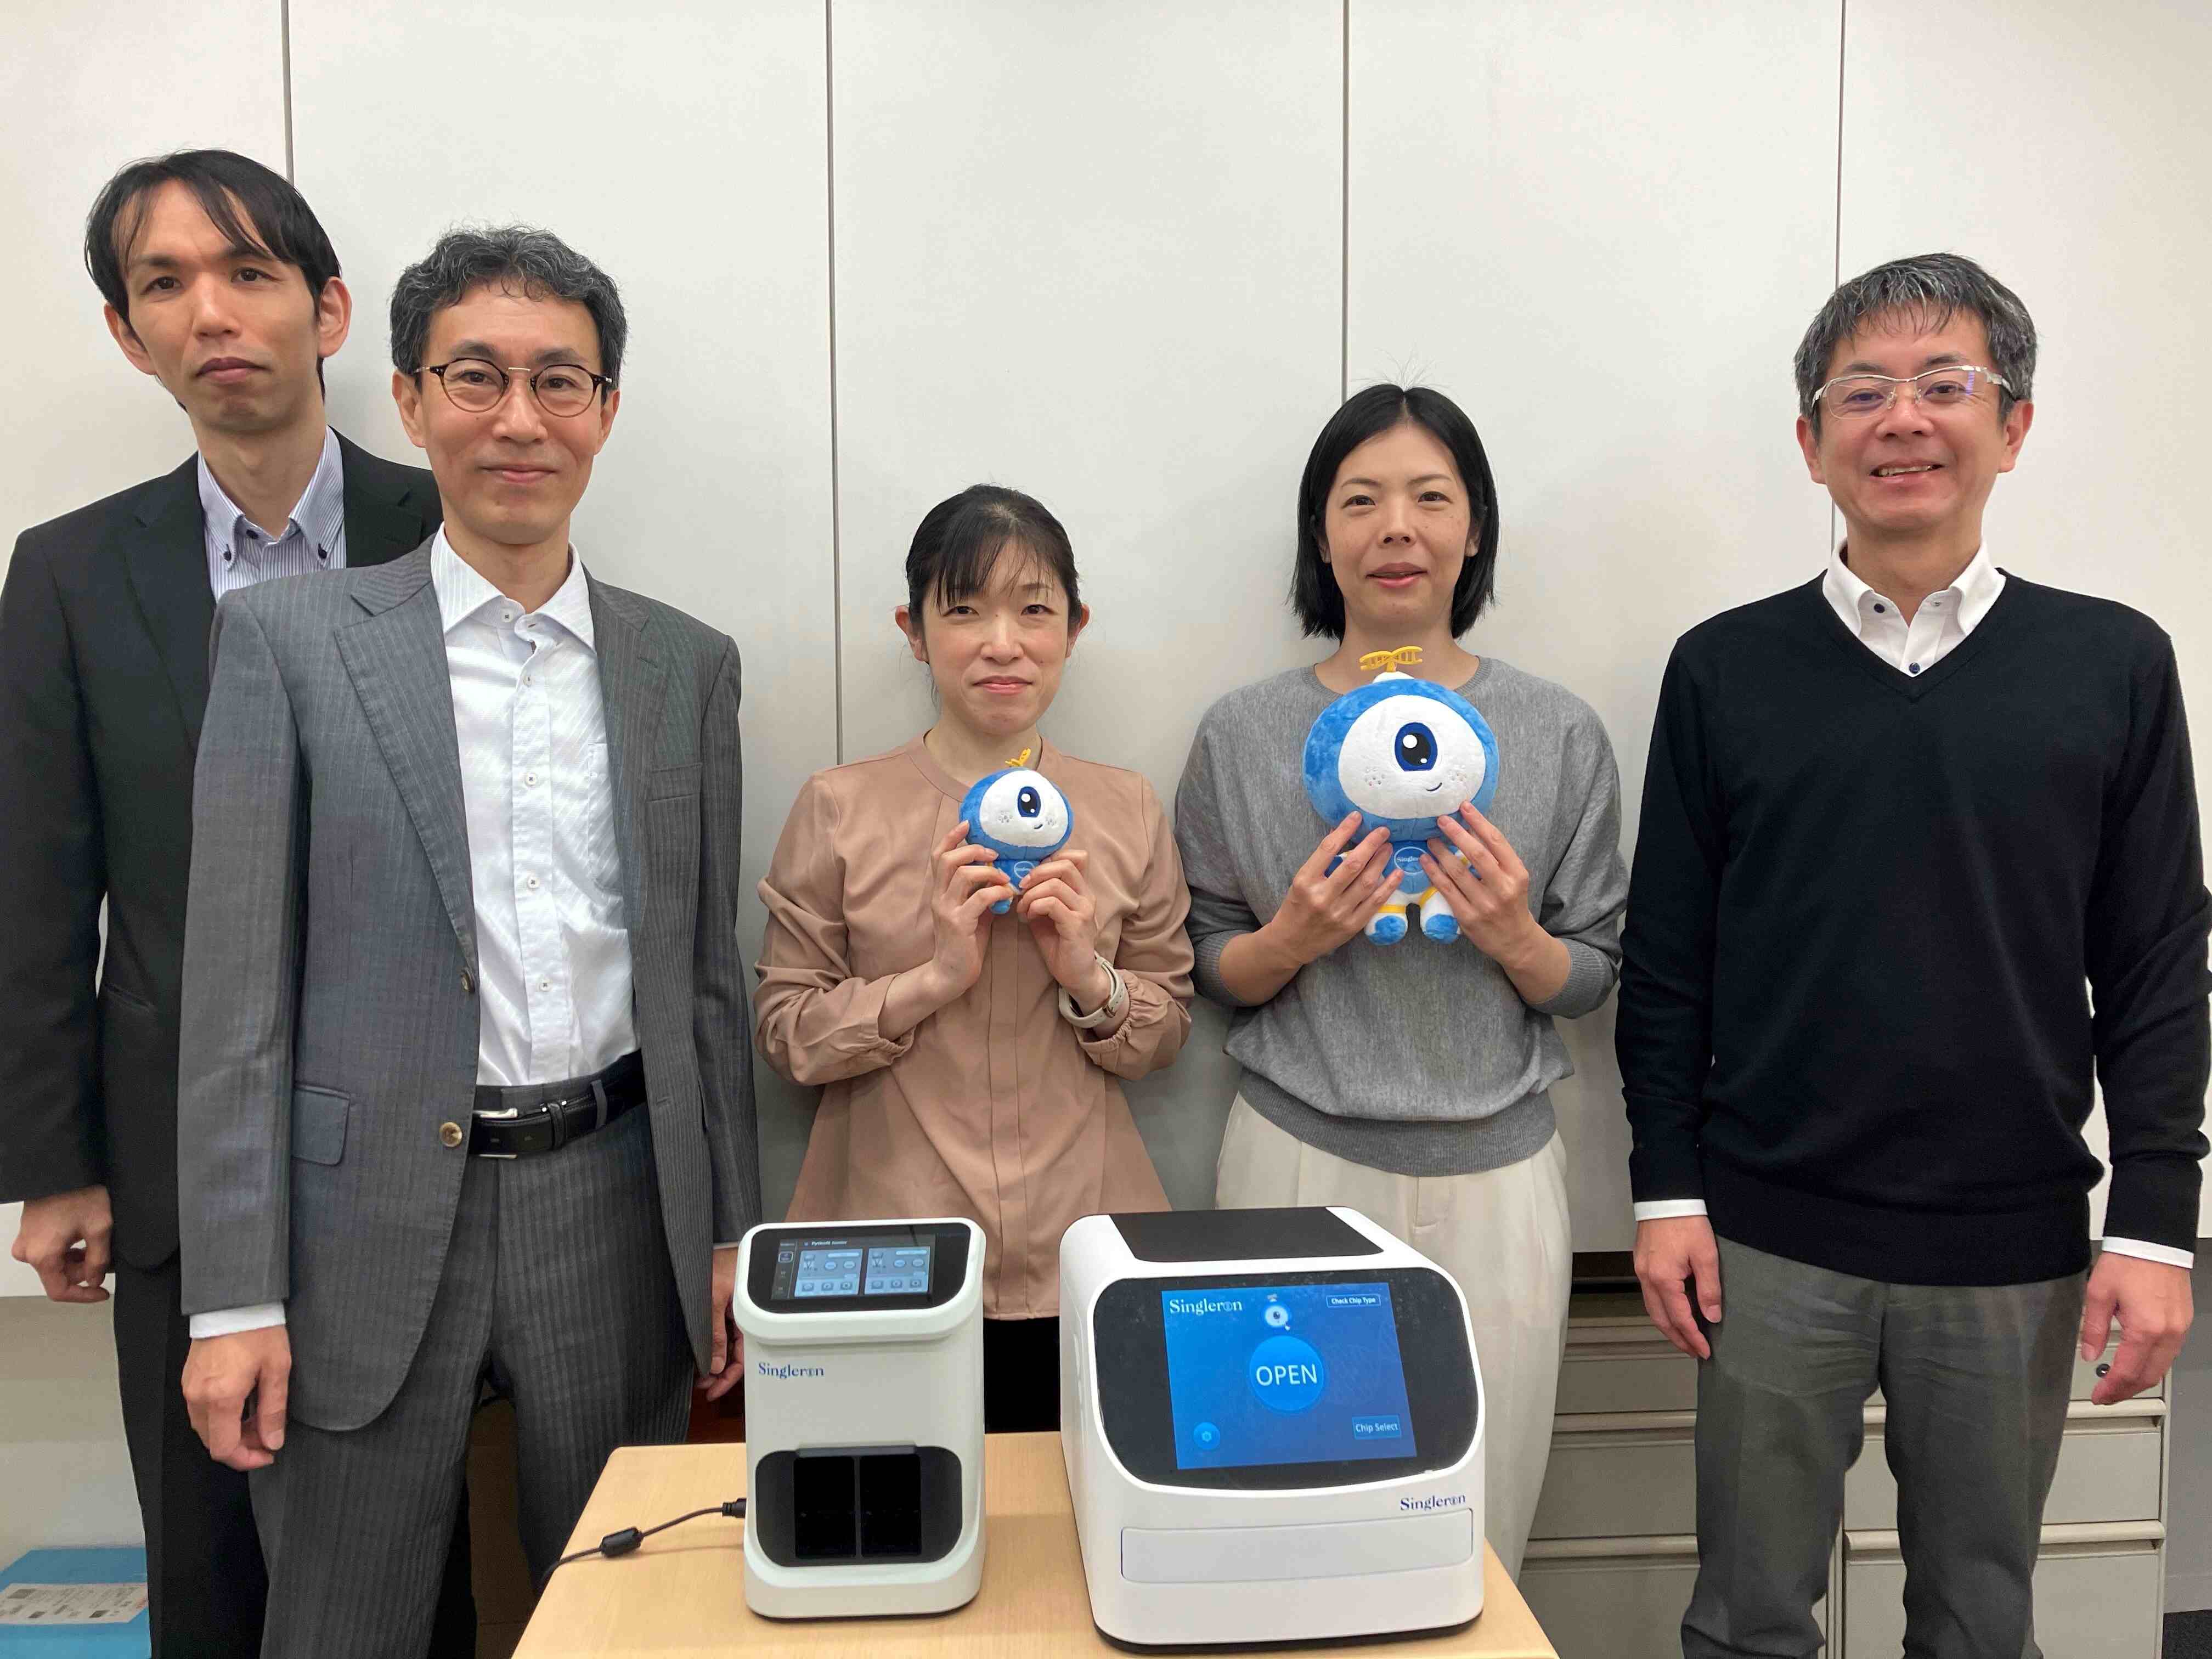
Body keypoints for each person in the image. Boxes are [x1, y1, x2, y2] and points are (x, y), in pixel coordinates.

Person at [172, 225, 761, 1657]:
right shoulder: (293, 644)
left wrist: (732, 1226)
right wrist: (233, 1295)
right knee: (343, 1621)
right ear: (410, 396)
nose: (518, 419)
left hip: (615, 1208)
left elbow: (700, 979)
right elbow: (234, 1000)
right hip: (353, 1226)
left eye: (560, 382)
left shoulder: (686, 663)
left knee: (625, 1615)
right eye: (477, 377)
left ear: (607, 413)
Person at [1617, 252, 2209, 1658]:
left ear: (2012, 427)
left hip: (2010, 1245)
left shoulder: (2113, 665)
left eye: (1947, 385)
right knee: (1748, 1620)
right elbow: (1670, 965)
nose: (1903, 420)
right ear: (1811, 443)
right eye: (1863, 391)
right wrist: (1664, 1193)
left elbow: (2155, 966)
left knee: (1975, 1619)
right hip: (1766, 1242)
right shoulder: (1721, 671)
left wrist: (2154, 1226)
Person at [0, 149, 473, 1656]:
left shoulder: (456, 523)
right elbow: (33, 882)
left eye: (249, 272)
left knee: (419, 1558)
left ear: (327, 310)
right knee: (208, 1569)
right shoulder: (72, 573)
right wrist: (55, 1164)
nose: (213, 312)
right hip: (175, 1147)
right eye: (165, 283)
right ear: (128, 335)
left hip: (416, 1133)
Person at [1173, 383, 1627, 1576]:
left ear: (1474, 529)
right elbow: (1207, 958)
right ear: (1321, 535)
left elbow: (1595, 972)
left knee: (1478, 1536)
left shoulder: (1558, 731)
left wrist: (1518, 939)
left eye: (1433, 497)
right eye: (1360, 499)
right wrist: (1296, 937)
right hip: (1296, 1168)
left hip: (1499, 1179)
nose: (1397, 528)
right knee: (1289, 1527)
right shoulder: (1241, 732)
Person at [755, 484, 1192, 1432]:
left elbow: (1167, 1032)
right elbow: (786, 1035)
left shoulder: (1125, 808)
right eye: (965, 611)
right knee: (903, 1545)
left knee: (1076, 1546)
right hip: (891, 1255)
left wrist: (1090, 976)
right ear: (915, 632)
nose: (1004, 642)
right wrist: (933, 979)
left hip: (1087, 1255)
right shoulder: (840, 807)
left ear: (1073, 628)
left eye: (1035, 609)